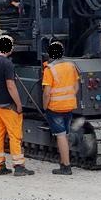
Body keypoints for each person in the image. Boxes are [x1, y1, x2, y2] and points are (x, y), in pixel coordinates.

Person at [0, 35, 34, 176]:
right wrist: (18, 104)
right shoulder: (7, 63)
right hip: (8, 106)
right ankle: (19, 166)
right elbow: (10, 85)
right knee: (15, 135)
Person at [42, 40, 80, 175]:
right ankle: (64, 162)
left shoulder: (50, 69)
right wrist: (69, 97)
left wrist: (45, 106)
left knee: (61, 136)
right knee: (66, 135)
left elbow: (47, 93)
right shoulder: (71, 66)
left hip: (55, 107)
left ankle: (66, 166)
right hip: (69, 106)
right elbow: (76, 86)